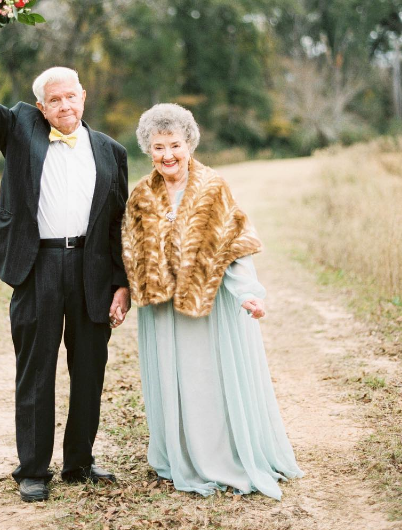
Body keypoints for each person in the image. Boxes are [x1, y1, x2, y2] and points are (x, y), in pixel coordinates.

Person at [0, 28, 130, 502]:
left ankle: (80, 462)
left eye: (72, 95)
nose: (65, 105)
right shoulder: (19, 129)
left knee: (90, 368)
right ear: (42, 106)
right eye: (55, 99)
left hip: (92, 269)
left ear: (83, 96)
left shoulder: (113, 152)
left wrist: (121, 283)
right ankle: (33, 468)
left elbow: (117, 225)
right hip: (37, 267)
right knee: (36, 369)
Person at [121, 103, 303, 500]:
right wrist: (124, 294)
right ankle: (181, 455)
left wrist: (249, 294)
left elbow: (234, 247)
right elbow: (131, 251)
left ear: (189, 143)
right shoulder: (139, 195)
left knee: (207, 380)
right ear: (147, 150)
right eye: (158, 147)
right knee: (173, 380)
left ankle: (220, 456)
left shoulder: (212, 186)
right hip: (161, 310)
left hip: (209, 305)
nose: (167, 155)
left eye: (174, 145)